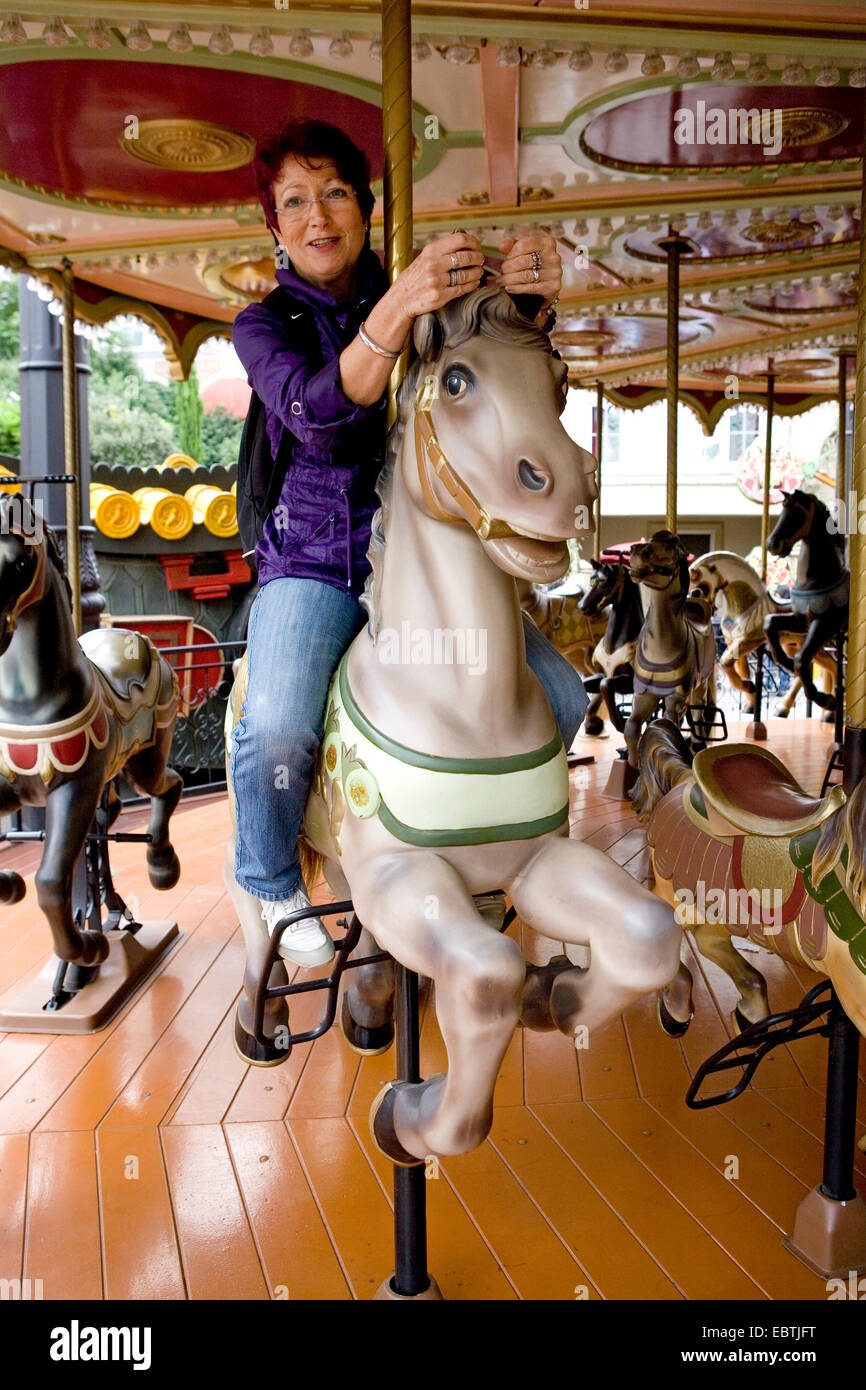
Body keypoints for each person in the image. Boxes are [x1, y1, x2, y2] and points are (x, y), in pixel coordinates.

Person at [230, 118, 588, 966]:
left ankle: (467, 846)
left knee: (562, 700)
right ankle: (266, 871)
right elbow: (318, 409)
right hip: (317, 563)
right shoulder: (264, 324)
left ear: (366, 206)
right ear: (274, 227)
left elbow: (494, 352)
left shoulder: (428, 302)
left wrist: (532, 293)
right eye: (296, 202)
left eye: (337, 195)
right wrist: (398, 306)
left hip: (432, 570)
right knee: (278, 730)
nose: (319, 217)